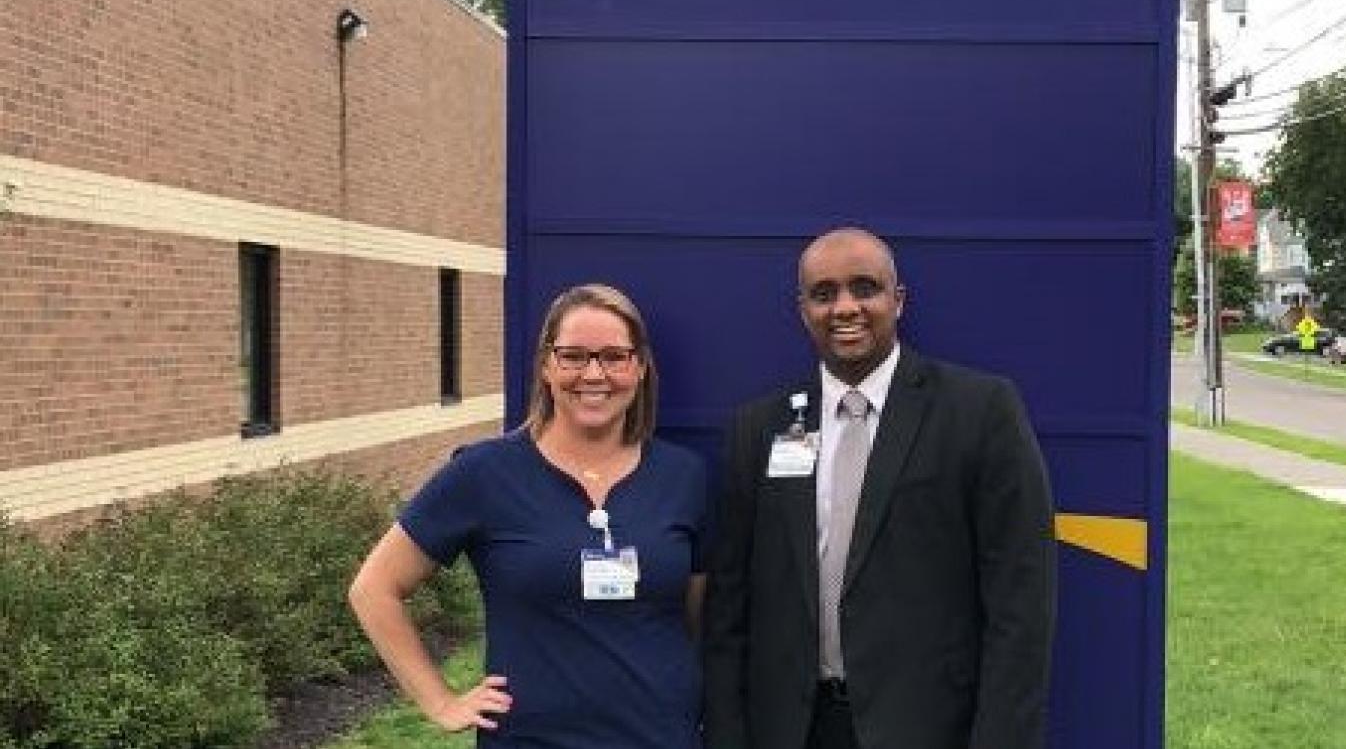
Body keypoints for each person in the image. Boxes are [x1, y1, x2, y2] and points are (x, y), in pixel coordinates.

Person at [704, 228, 1057, 749]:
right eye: (824, 294)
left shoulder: (980, 411)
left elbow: (1020, 606)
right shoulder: (759, 428)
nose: (845, 308)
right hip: (792, 730)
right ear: (804, 311)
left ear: (898, 300)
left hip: (929, 729)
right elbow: (728, 608)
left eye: (864, 288)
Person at [349, 283, 707, 748]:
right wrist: (440, 702)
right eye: (573, 356)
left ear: (639, 368)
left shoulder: (683, 477)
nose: (594, 373)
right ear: (546, 366)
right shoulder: (484, 474)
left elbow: (696, 620)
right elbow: (374, 589)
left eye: (614, 357)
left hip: (659, 737)